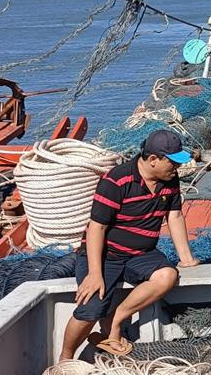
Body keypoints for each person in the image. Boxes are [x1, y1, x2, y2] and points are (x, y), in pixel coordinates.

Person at [59, 130, 199, 360]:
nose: (176, 168)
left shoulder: (170, 180)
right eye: (172, 162)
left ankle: (115, 319)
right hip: (105, 255)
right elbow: (97, 228)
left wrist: (186, 258)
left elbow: (174, 216)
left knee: (167, 276)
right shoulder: (116, 180)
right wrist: (95, 274)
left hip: (141, 254)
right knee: (91, 308)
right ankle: (65, 358)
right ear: (153, 159)